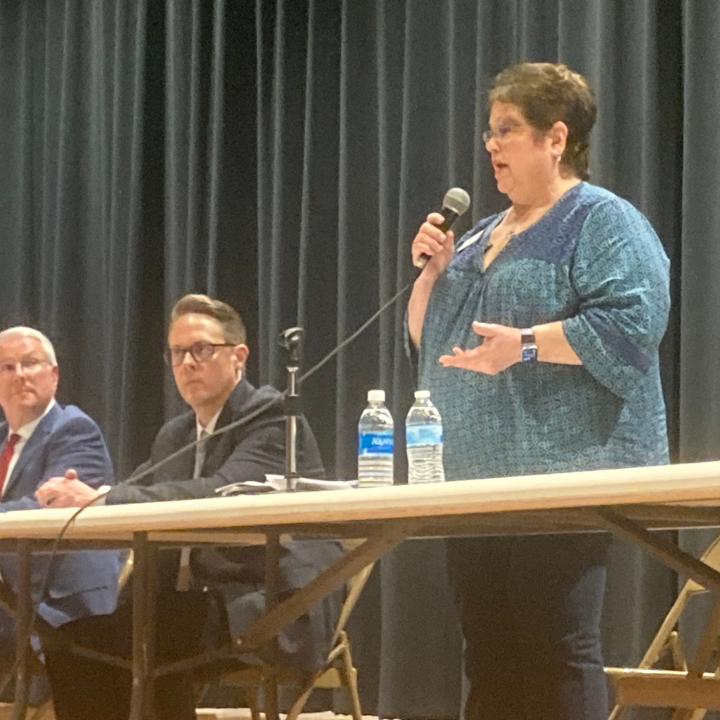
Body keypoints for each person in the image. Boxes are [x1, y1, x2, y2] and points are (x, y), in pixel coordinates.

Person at [406, 62, 671, 720]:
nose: (491, 145)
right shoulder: (479, 237)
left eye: (507, 130)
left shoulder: (601, 220)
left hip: (566, 476)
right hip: (479, 483)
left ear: (556, 138)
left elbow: (632, 324)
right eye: (489, 131)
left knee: (555, 644)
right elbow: (430, 343)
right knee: (488, 649)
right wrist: (432, 275)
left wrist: (524, 344)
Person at [35, 294, 344, 720]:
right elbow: (136, 488)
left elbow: (217, 491)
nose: (187, 363)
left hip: (268, 604)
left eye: (201, 349)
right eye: (177, 353)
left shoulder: (272, 416)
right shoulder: (176, 434)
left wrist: (104, 497)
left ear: (239, 357)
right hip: (194, 603)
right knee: (73, 642)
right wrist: (86, 493)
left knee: (151, 642)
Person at [0, 327, 121, 685]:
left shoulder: (74, 429)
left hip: (58, 604)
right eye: (7, 367)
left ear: (54, 375)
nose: (19, 374)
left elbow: (47, 508)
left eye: (30, 363)